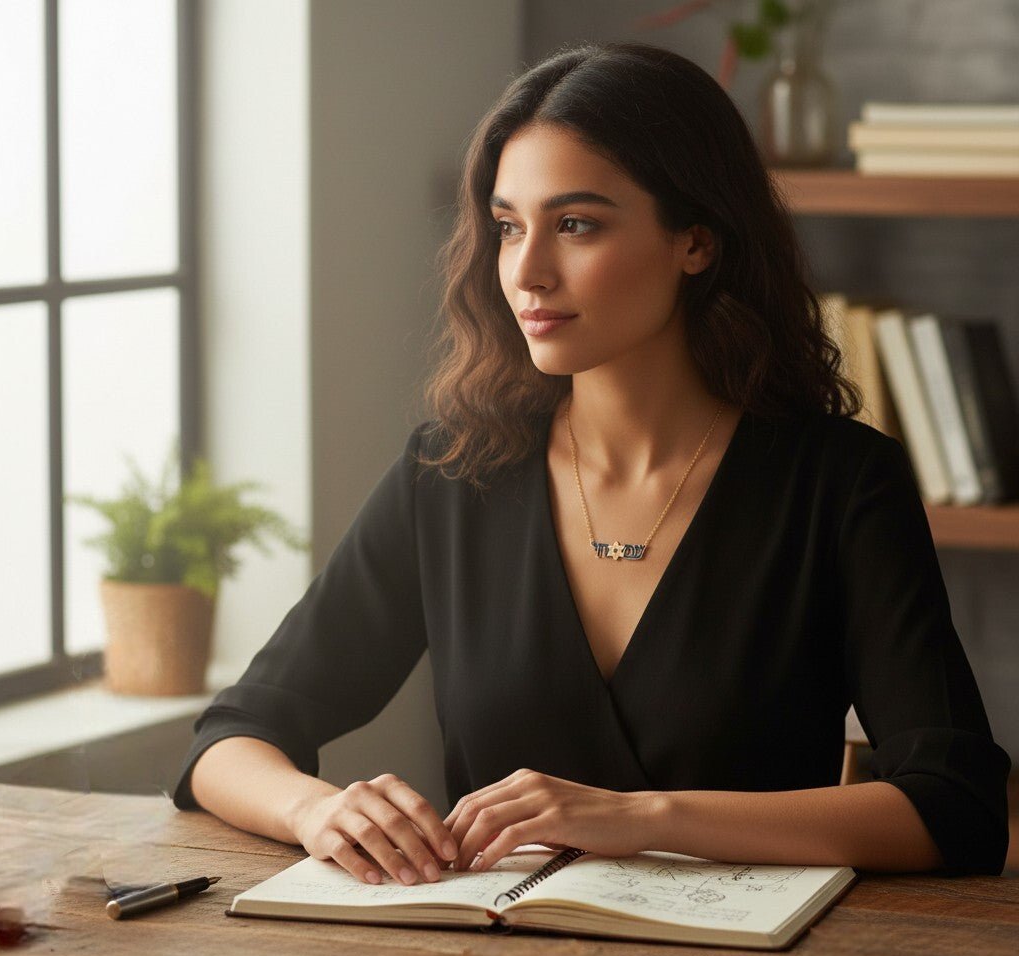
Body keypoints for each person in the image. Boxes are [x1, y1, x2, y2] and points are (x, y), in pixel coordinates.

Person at [174, 42, 1012, 886]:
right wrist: (315, 810)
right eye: (508, 227)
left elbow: (955, 804)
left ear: (696, 240)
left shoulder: (838, 483)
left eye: (576, 224)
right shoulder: (455, 471)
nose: (527, 271)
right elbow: (235, 736)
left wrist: (641, 818)